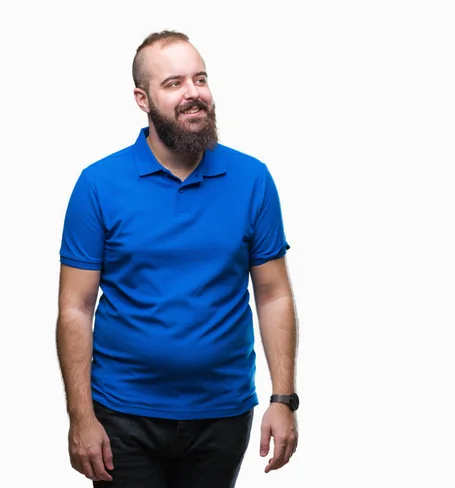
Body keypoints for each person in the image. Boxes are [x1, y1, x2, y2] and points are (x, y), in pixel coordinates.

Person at [55, 30, 299, 488]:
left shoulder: (252, 178)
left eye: (200, 79)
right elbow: (75, 308)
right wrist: (80, 417)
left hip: (223, 413)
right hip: (122, 415)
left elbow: (273, 294)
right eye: (174, 84)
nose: (193, 94)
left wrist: (283, 398)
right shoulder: (98, 184)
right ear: (142, 99)